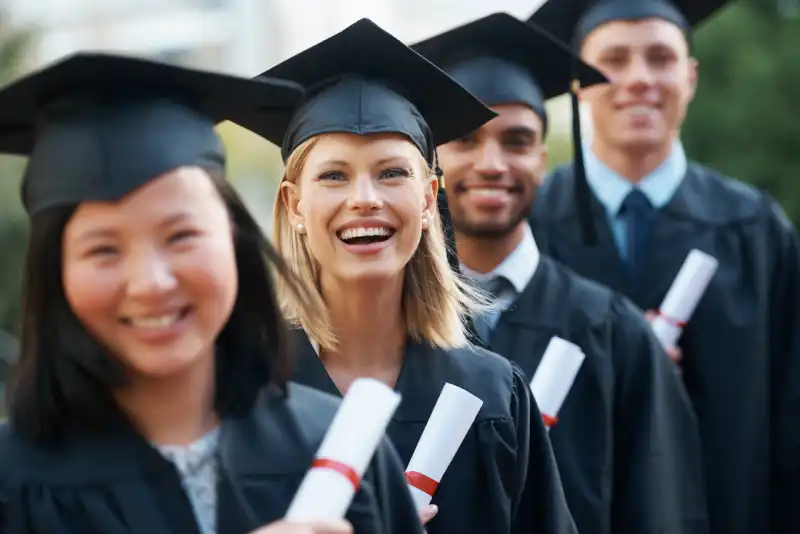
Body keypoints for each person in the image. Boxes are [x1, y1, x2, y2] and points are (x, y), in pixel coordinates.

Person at [0, 52, 424, 534]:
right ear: (54, 273)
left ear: (235, 242)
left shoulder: (336, 446)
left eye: (181, 236)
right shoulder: (14, 484)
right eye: (103, 250)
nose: (151, 283)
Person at [230, 18, 577, 534]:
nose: (365, 198)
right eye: (333, 175)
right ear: (294, 204)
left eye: (392, 172)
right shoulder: (240, 395)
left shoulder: (494, 394)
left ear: (427, 198)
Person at [412, 12, 708, 534]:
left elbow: (662, 510)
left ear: (543, 160)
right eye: (465, 141)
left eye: (517, 141)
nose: (493, 163)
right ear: (429, 165)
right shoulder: (384, 327)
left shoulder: (614, 332)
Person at [526, 1, 800, 533]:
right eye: (613, 60)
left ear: (690, 76)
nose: (638, 79)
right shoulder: (529, 227)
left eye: (660, 58)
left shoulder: (754, 229)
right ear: (578, 83)